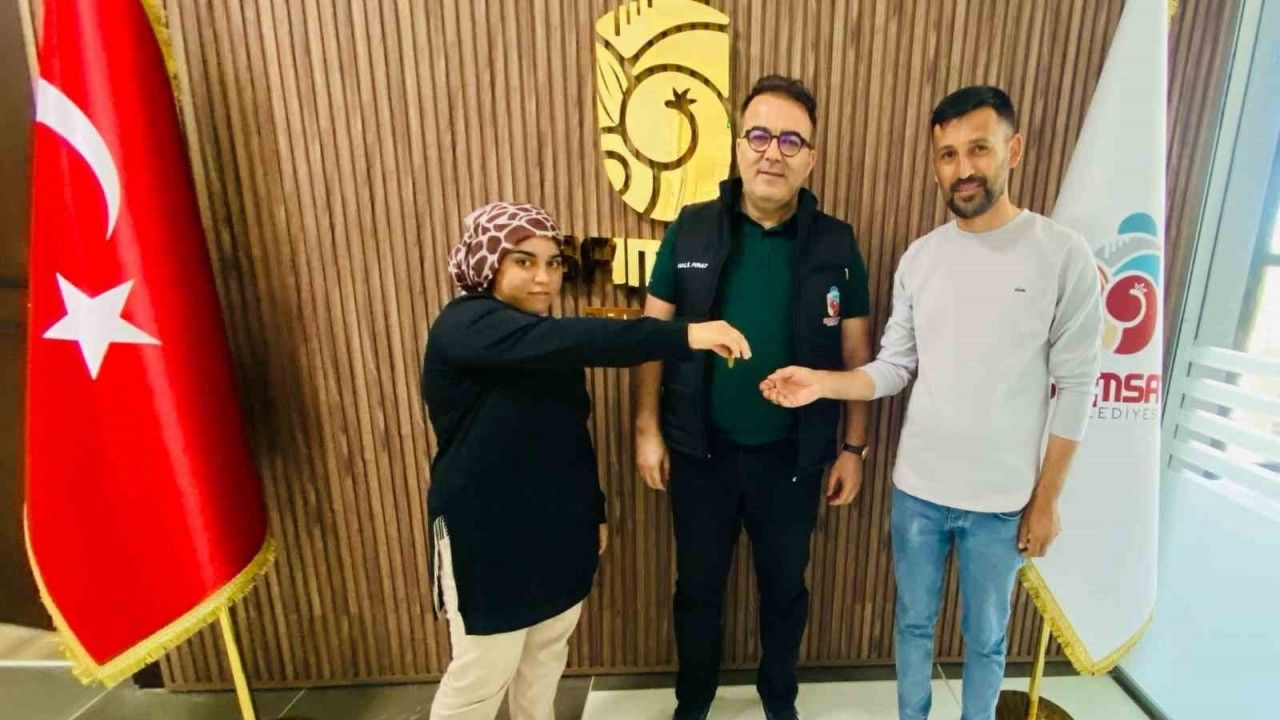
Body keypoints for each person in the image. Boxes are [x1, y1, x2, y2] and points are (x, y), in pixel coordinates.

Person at [760, 86, 1103, 720]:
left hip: (1002, 501)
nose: (963, 168)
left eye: (979, 149)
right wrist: (822, 382)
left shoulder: (1062, 256)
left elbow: (1079, 385)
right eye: (947, 154)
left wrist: (1047, 499)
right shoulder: (921, 258)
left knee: (987, 639)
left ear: (1014, 150)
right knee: (913, 625)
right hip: (917, 490)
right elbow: (894, 367)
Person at [423, 201, 752, 720]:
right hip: (486, 536)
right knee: (481, 678)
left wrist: (592, 509)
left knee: (544, 662)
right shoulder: (466, 324)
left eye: (553, 263)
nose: (544, 277)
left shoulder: (545, 337)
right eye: (524, 261)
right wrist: (689, 333)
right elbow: (580, 338)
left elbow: (570, 433)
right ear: (488, 262)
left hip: (557, 525)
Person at [633, 75, 874, 720]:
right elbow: (653, 336)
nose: (773, 152)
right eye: (760, 135)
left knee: (785, 590)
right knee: (697, 590)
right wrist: (646, 429)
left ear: (811, 158)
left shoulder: (836, 243)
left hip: (792, 458)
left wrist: (853, 448)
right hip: (699, 453)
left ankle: (778, 698)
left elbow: (857, 357)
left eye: (792, 141)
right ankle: (693, 702)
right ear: (738, 145)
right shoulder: (690, 229)